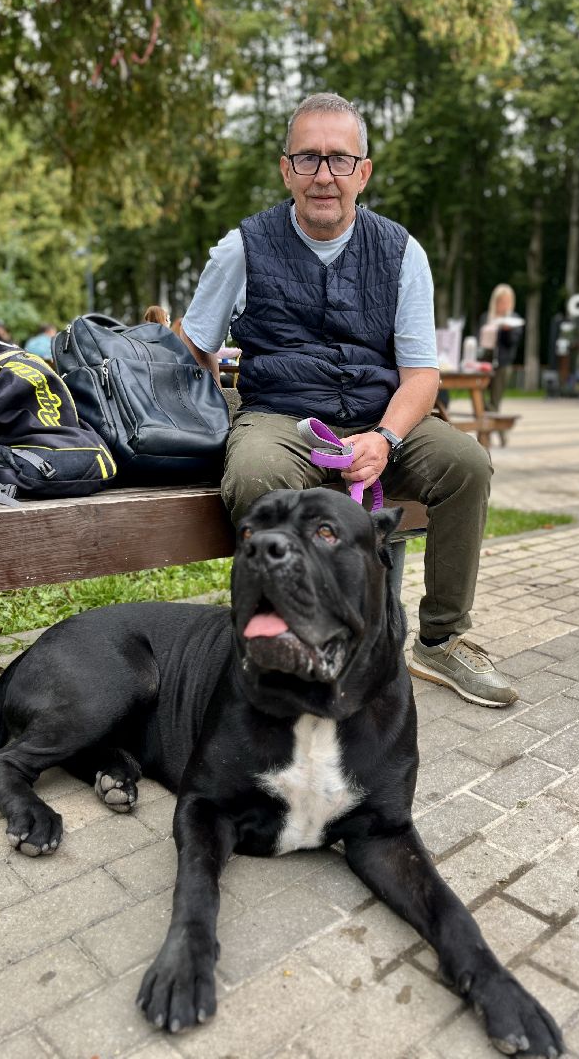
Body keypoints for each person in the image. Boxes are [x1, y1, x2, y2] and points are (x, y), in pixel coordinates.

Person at [179, 92, 518, 708]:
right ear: (286, 169)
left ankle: (441, 640)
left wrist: (385, 439)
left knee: (465, 465)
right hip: (282, 416)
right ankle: (286, 640)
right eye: (308, 158)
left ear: (363, 172)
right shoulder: (243, 247)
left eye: (340, 159)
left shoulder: (402, 252)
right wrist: (213, 415)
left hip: (379, 415)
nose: (324, 176)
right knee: (258, 474)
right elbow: (195, 347)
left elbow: (420, 375)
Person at [478, 284, 524, 412]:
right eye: (502, 301)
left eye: (507, 301)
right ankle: (485, 418)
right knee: (478, 396)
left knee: (494, 402)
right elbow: (479, 339)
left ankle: (495, 423)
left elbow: (513, 342)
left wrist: (506, 331)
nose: (504, 304)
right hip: (484, 362)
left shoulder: (514, 319)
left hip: (502, 363)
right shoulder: (486, 317)